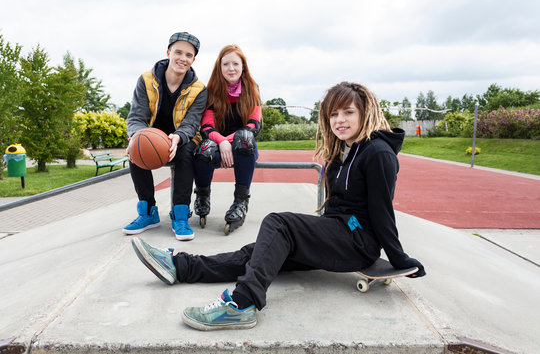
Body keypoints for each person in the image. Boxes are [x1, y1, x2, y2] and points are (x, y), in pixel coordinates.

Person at [131, 82, 426, 330]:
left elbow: (382, 211)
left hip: (356, 241)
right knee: (258, 252)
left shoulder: (378, 154)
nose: (340, 120)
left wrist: (400, 259)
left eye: (348, 112)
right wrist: (313, 234)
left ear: (365, 112)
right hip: (337, 235)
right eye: (333, 114)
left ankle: (243, 303)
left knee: (279, 222)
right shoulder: (344, 151)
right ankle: (179, 267)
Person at [123, 32, 207, 241]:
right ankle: (148, 212)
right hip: (151, 135)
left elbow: (192, 122)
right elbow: (136, 116)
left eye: (188, 55)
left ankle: (180, 216)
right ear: (168, 52)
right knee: (137, 148)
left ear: (193, 60)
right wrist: (135, 136)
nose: (182, 58)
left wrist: (178, 137)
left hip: (181, 139)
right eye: (178, 52)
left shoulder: (199, 89)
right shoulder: (146, 80)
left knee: (187, 152)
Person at [192, 44, 262, 235]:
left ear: (243, 67)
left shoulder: (252, 89)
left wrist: (229, 141)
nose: (231, 68)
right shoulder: (211, 91)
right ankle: (202, 196)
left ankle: (241, 202)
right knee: (204, 148)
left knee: (245, 138)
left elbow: (254, 125)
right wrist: (221, 142)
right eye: (226, 64)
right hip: (216, 144)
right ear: (219, 67)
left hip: (243, 148)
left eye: (235, 64)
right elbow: (206, 127)